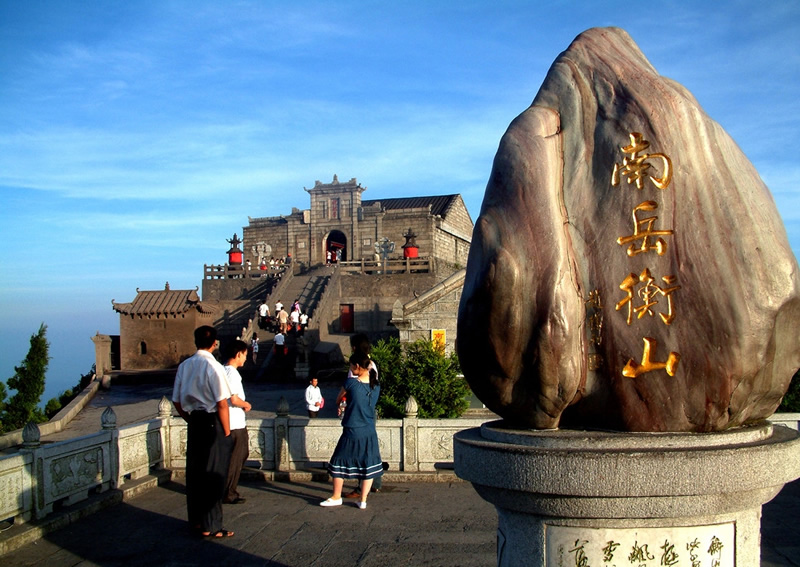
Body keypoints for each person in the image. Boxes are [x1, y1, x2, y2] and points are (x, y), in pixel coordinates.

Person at [171, 326, 234, 538]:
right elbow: (222, 403)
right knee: (213, 474)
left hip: (195, 421)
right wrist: (226, 431)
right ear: (215, 343)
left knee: (195, 473)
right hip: (213, 421)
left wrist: (189, 419)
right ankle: (212, 525)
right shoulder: (213, 366)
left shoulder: (185, 366)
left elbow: (176, 401)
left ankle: (197, 521)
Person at [320, 350, 382, 510]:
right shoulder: (376, 385)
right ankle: (363, 500)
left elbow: (338, 399)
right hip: (369, 429)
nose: (350, 369)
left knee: (338, 461)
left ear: (357, 366)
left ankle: (336, 496)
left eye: (351, 366)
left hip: (353, 428)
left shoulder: (351, 383)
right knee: (368, 463)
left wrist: (344, 404)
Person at [343, 333, 383, 498]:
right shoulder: (371, 364)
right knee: (370, 448)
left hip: (358, 414)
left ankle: (362, 486)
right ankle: (375, 483)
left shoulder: (358, 367)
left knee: (361, 449)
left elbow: (350, 390)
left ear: (355, 347)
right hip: (368, 411)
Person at [221, 340, 252, 505]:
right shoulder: (232, 373)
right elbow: (233, 399)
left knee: (235, 457)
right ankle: (228, 492)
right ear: (238, 354)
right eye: (245, 355)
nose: (246, 358)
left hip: (226, 421)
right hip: (235, 422)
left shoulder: (221, 369)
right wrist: (246, 404)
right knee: (237, 457)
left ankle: (226, 489)